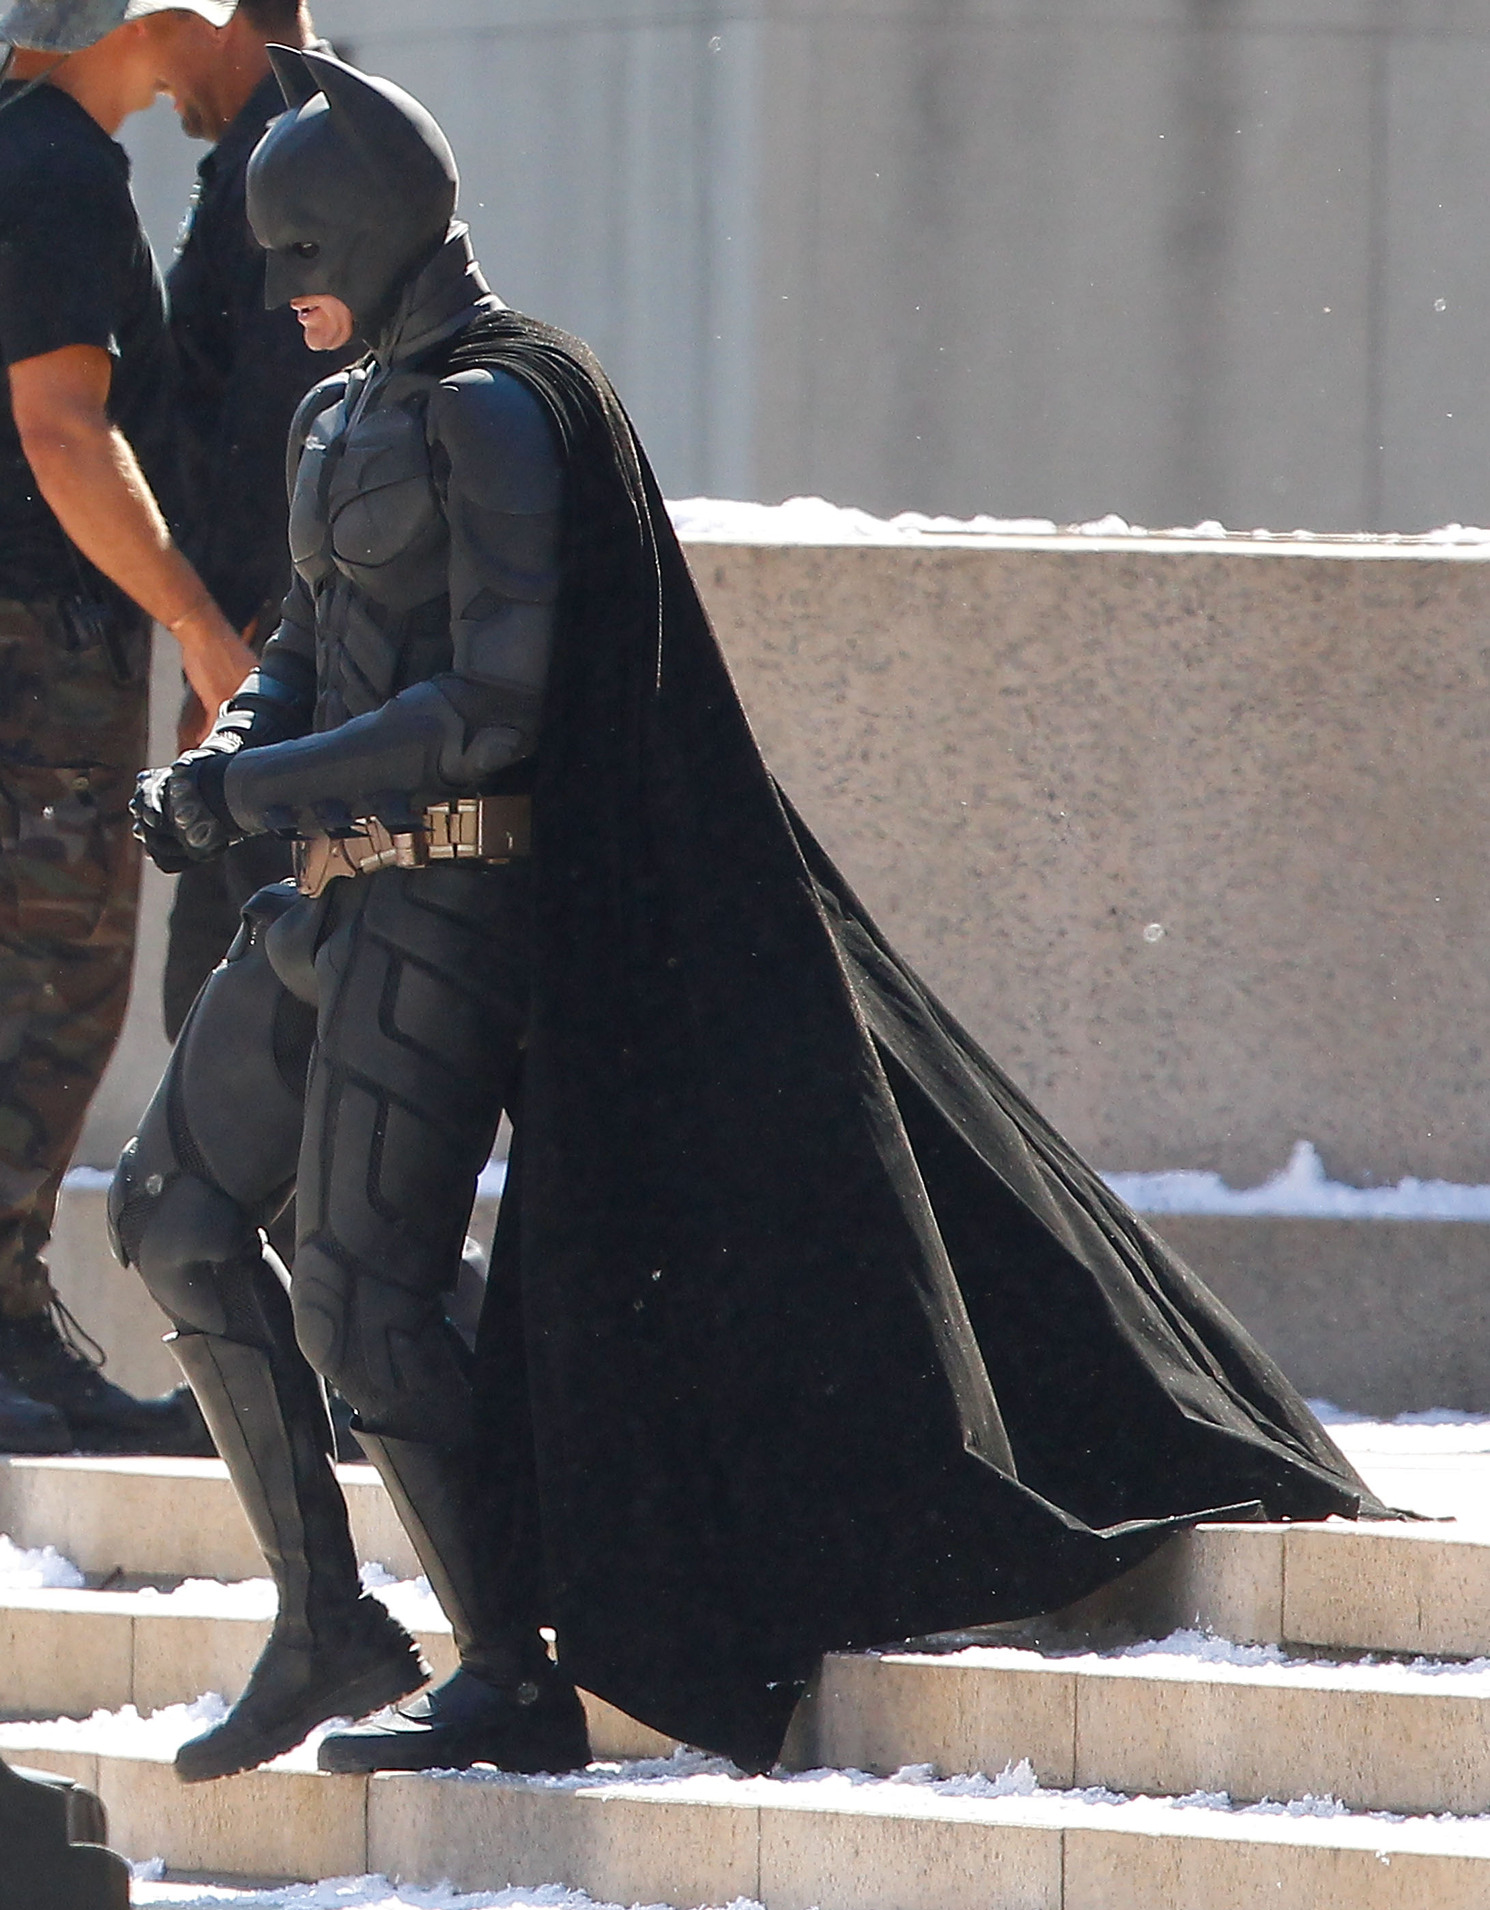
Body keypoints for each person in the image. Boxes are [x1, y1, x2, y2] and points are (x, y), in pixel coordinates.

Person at [112, 48, 1385, 1786]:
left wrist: (258, 784)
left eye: (305, 249)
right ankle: (326, 1620)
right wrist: (235, 751)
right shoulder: (345, 416)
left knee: (361, 1290)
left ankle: (502, 1664)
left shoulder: (506, 403)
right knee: (178, 1212)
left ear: (386, 230)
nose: (283, 289)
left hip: (456, 901)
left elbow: (497, 700)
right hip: (325, 892)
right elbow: (306, 644)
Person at [0, 0, 255, 1454]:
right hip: (43, 652)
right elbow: (61, 431)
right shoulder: (56, 170)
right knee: (49, 987)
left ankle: (15, 1324)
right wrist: (196, 621)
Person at [150, 0, 352, 1041]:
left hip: (285, 678)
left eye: (155, 18)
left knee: (248, 1022)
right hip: (269, 671)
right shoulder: (281, 141)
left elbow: (293, 430)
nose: (142, 54)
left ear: (219, 15)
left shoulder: (294, 150)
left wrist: (236, 653)